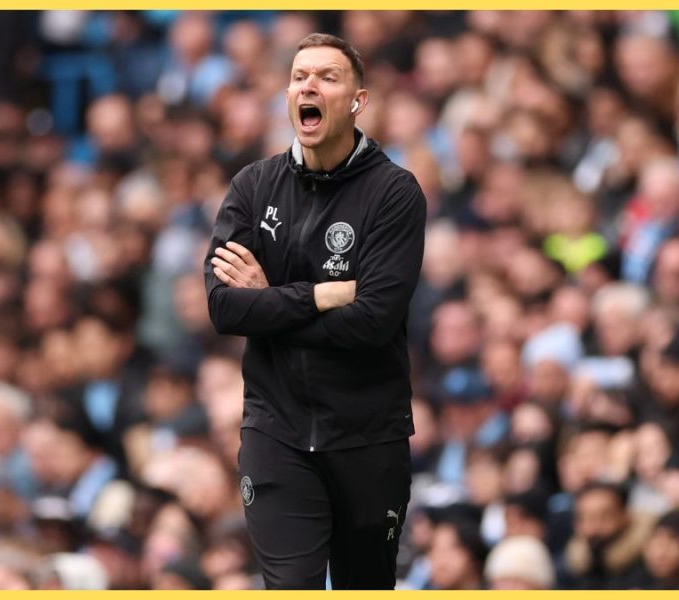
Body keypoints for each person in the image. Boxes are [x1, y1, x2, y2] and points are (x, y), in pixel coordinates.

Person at [204, 33, 427, 589]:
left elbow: (372, 321)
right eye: (300, 76)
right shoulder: (253, 187)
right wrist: (318, 296)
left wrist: (269, 301)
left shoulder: (394, 193)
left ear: (358, 100)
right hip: (274, 431)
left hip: (367, 435)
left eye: (328, 77)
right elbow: (225, 307)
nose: (310, 86)